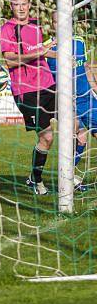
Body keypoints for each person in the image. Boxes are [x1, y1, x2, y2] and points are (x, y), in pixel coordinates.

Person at [0, 0, 57, 195]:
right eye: (16, 4)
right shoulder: (6, 29)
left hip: (49, 83)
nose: (21, 8)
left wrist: (58, 55)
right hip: (27, 91)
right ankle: (36, 179)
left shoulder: (36, 25)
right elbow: (10, 59)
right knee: (47, 138)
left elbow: (40, 52)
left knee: (77, 123)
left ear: (30, 4)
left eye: (24, 3)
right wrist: (38, 54)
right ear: (11, 6)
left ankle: (73, 175)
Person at [45, 11, 95, 189]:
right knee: (79, 137)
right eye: (57, 22)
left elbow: (87, 68)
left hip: (87, 98)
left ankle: (69, 175)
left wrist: (95, 89)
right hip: (66, 101)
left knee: (86, 138)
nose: (61, 26)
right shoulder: (47, 49)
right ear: (52, 24)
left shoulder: (80, 42)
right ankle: (67, 177)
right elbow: (48, 80)